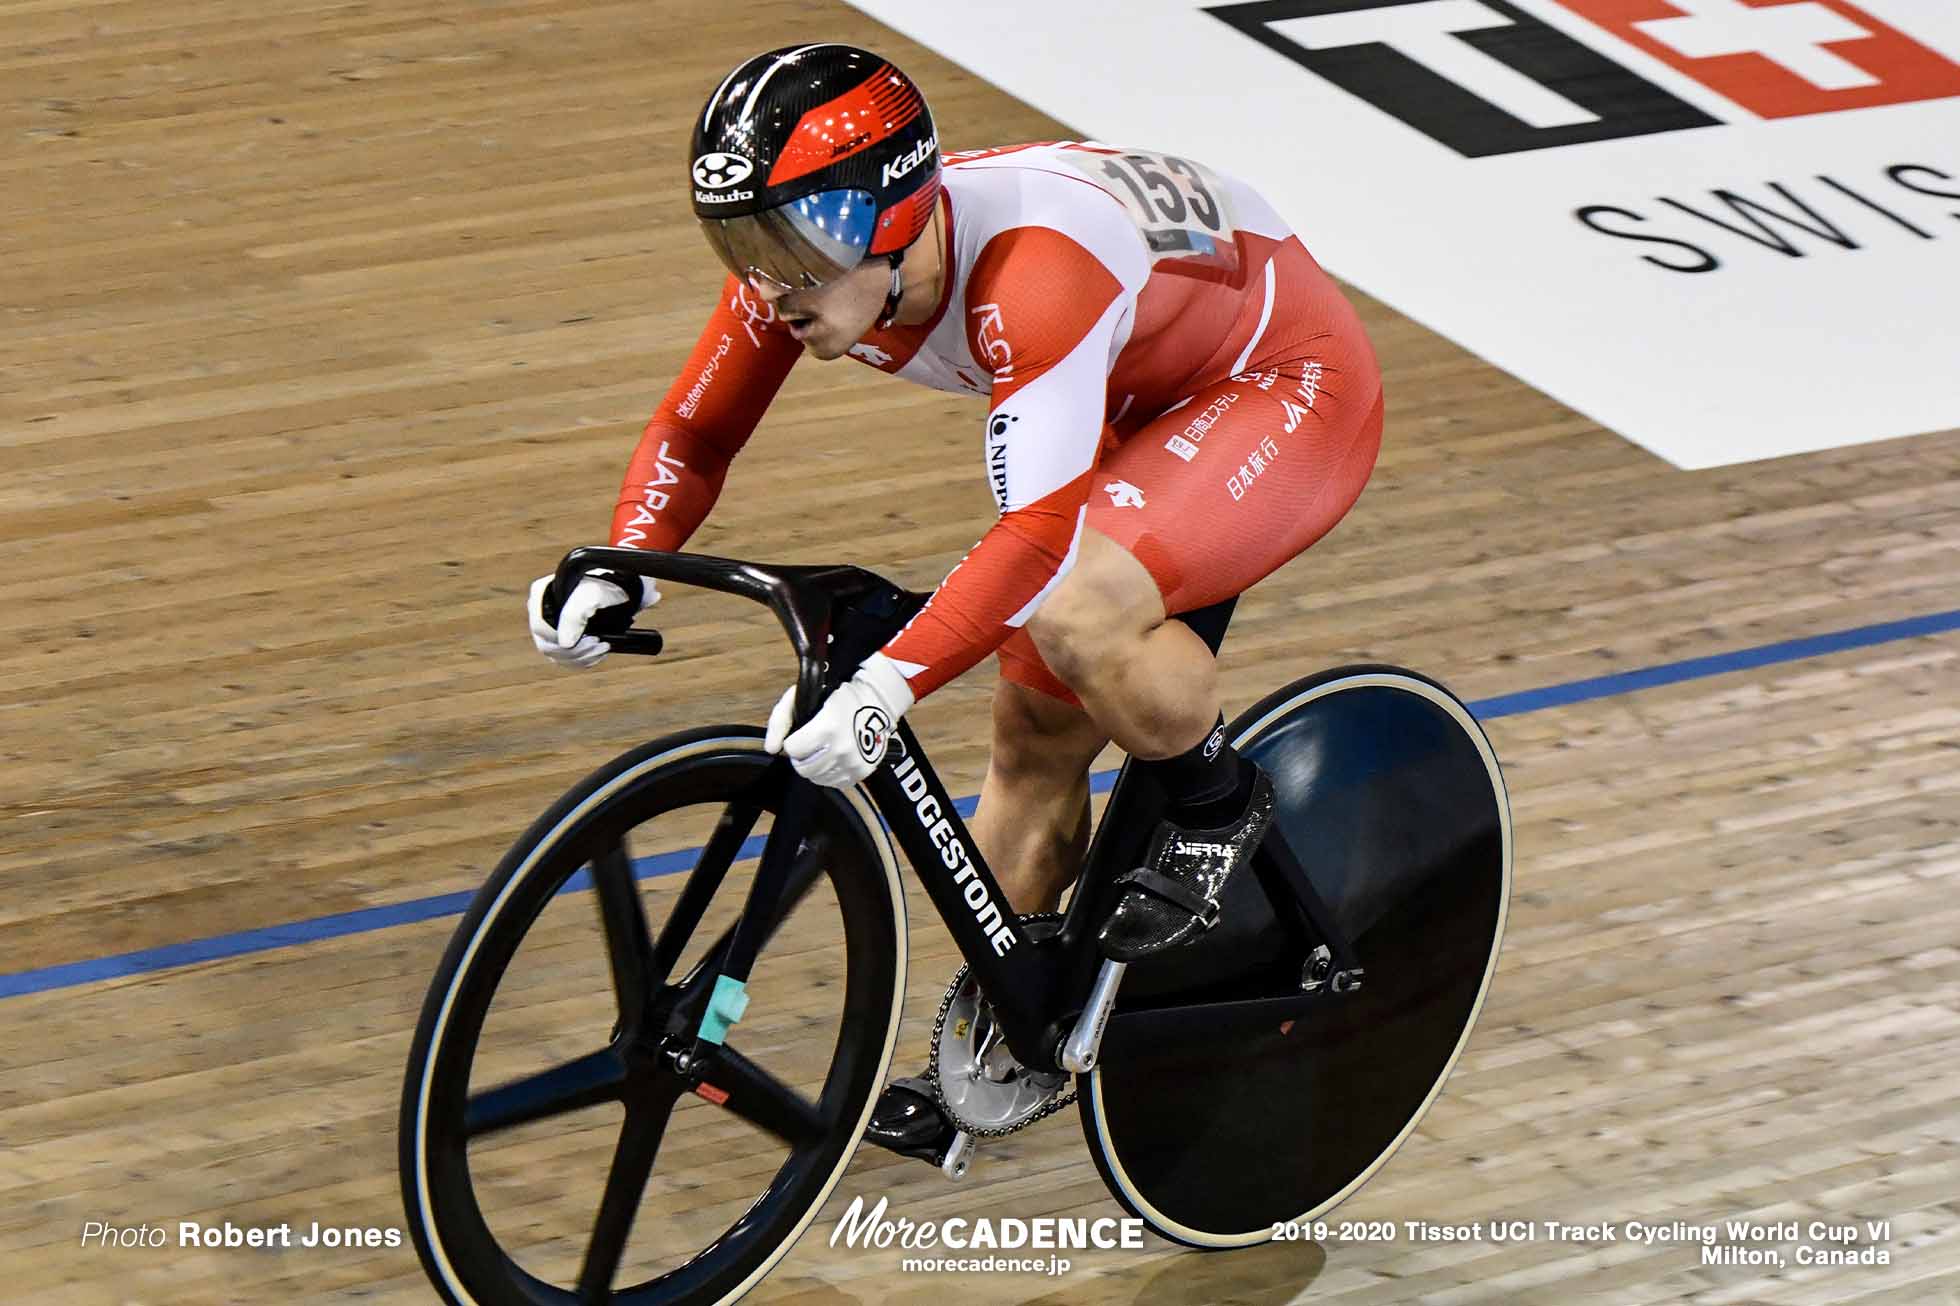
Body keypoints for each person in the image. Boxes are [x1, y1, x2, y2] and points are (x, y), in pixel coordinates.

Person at [527, 43, 1383, 1160]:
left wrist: (886, 684)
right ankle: (1018, 1032)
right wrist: (622, 560)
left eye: (789, 246)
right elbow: (694, 432)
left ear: (891, 216)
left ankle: (1215, 804)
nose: (766, 284)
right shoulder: (807, 275)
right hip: (1125, 386)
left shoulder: (1031, 273)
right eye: (740, 243)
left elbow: (1032, 536)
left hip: (1275, 386)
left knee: (1074, 605)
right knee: (1028, 739)